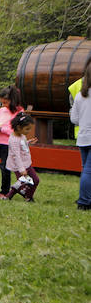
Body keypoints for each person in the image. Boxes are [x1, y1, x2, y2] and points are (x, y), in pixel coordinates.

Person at [70, 57, 91, 210]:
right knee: (88, 171)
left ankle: (85, 199)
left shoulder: (80, 95)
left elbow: (74, 119)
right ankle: (84, 202)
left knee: (86, 170)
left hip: (83, 137)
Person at [3, 112, 39, 202]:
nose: (29, 131)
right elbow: (16, 156)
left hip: (26, 163)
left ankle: (26, 196)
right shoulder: (13, 140)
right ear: (18, 127)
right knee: (23, 182)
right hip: (19, 165)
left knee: (35, 180)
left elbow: (22, 145)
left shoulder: (22, 136)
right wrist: (21, 169)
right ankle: (27, 197)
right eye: (27, 129)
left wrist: (28, 142)